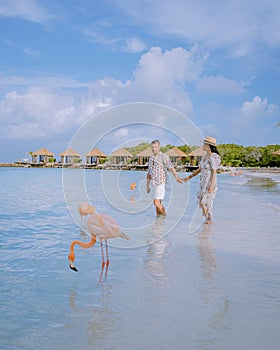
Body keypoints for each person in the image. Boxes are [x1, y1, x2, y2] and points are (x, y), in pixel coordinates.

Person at [183, 136, 221, 224]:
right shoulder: (204, 157)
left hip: (210, 182)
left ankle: (209, 218)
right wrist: (189, 177)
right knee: (200, 201)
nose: (202, 145)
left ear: (208, 145)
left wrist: (211, 186)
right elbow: (200, 169)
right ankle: (207, 217)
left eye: (204, 144)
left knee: (207, 202)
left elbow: (214, 172)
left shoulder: (214, 157)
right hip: (203, 182)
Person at [146, 140, 182, 216]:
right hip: (154, 183)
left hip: (160, 183)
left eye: (155, 147)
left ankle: (164, 216)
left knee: (156, 203)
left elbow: (171, 167)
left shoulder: (163, 156)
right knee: (157, 204)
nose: (154, 149)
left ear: (159, 147)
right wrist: (147, 186)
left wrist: (177, 177)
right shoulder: (151, 158)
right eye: (152, 147)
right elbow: (149, 173)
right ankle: (159, 223)